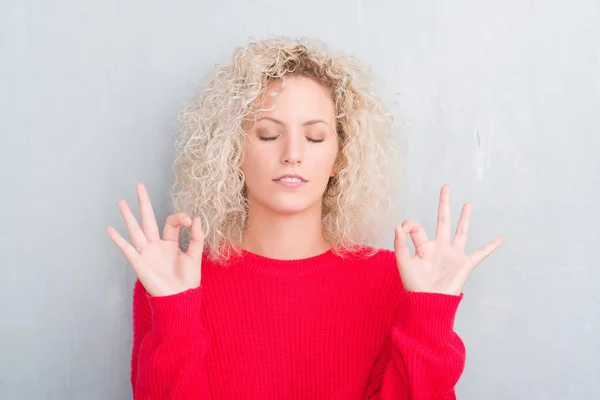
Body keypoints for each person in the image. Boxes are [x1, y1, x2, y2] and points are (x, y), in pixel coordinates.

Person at [106, 36, 504, 399]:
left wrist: (429, 316)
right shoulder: (174, 280)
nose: (292, 153)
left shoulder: (396, 282)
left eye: (314, 136)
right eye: (267, 134)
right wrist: (175, 311)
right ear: (232, 153)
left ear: (340, 157)